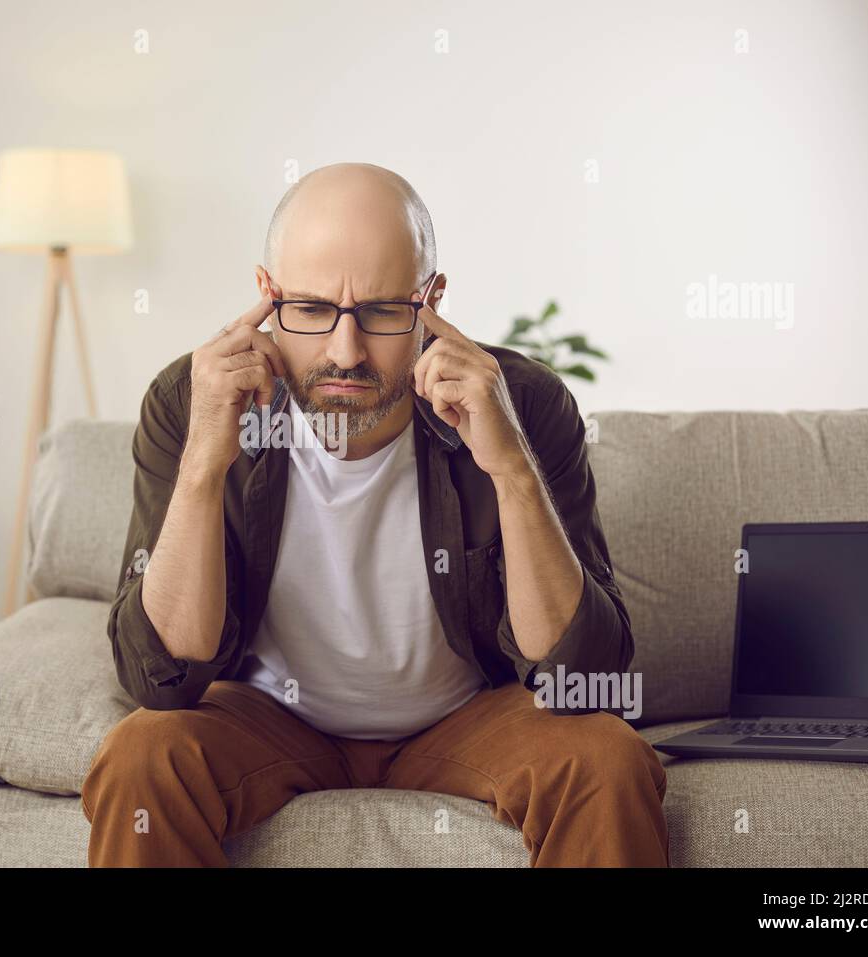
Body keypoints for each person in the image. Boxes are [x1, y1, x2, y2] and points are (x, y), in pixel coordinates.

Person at [81, 162, 669, 867]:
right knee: (143, 755)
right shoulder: (193, 400)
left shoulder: (522, 403)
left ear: (432, 301)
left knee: (605, 759)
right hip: (269, 720)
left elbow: (584, 672)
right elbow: (160, 678)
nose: (345, 350)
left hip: (463, 719)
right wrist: (206, 461)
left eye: (385, 311)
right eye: (311, 308)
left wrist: (511, 470)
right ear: (268, 298)